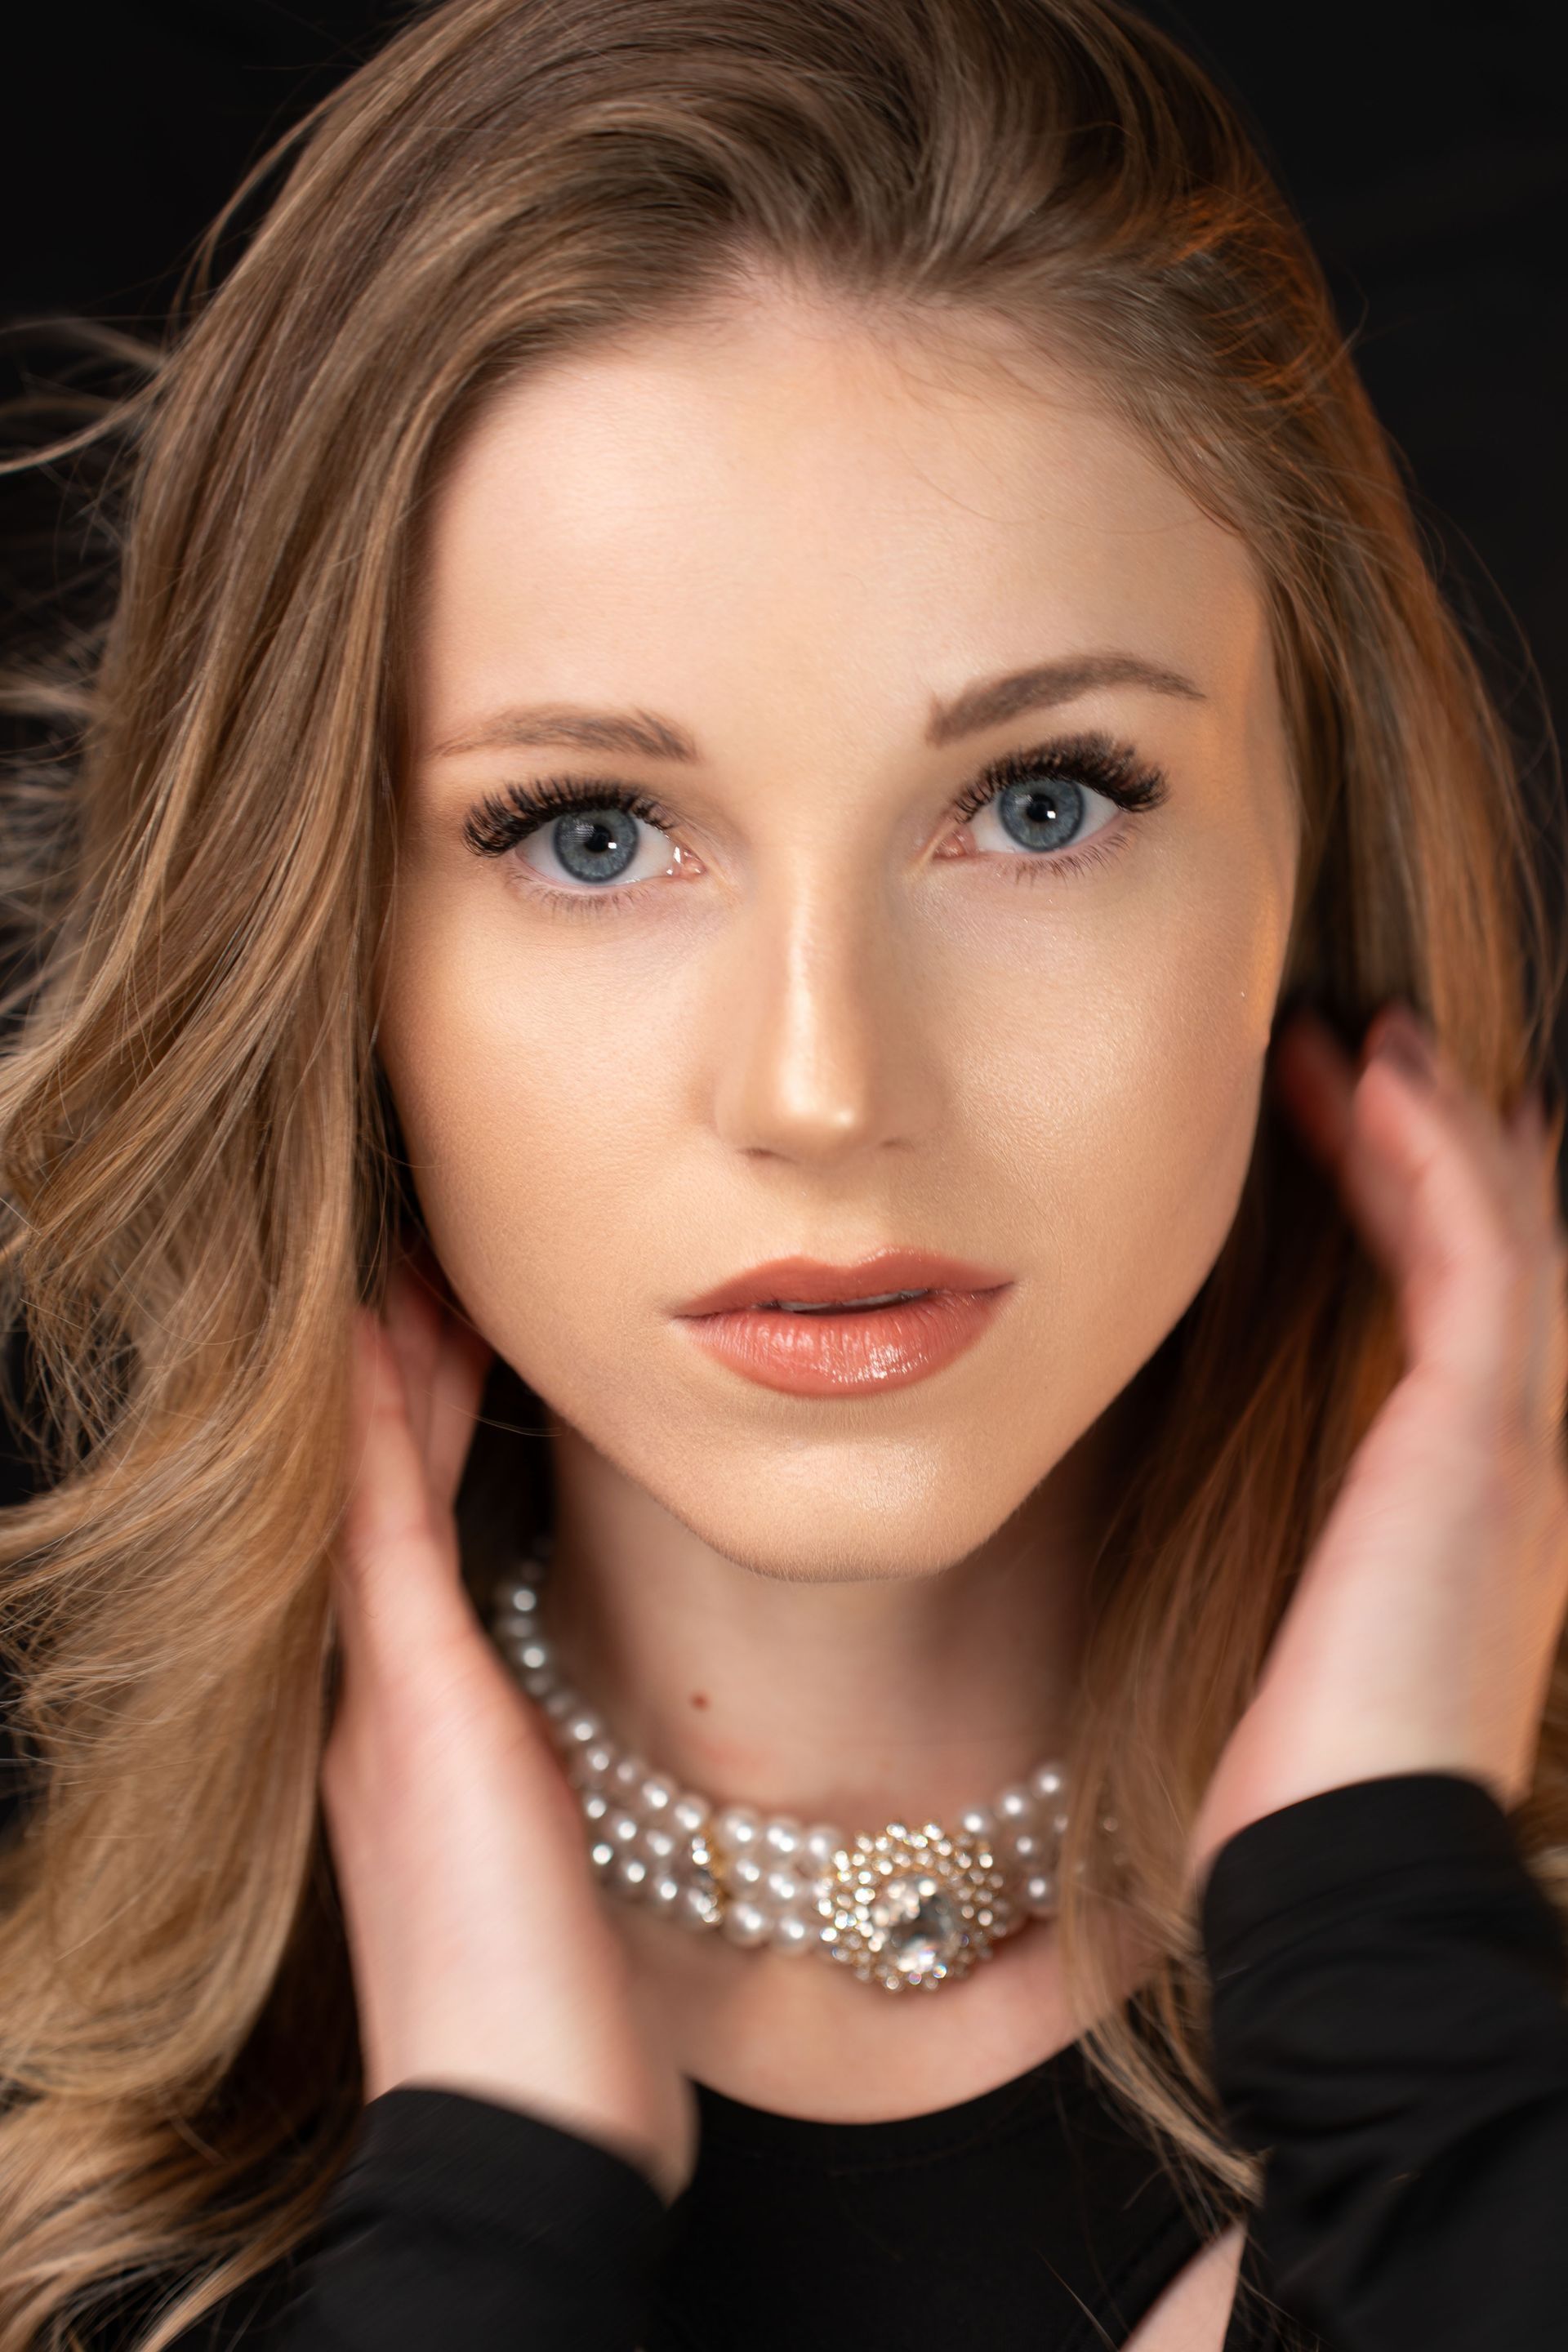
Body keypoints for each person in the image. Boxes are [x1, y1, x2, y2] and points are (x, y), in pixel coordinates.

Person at [1, 2, 1566, 2349]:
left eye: (1043, 801)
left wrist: (1401, 1982)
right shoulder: (81, 2200)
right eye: (594, 833)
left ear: (1306, 856)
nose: (826, 1089)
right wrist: (486, 2219)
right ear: (325, 944)